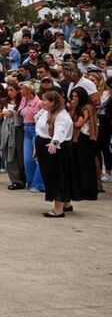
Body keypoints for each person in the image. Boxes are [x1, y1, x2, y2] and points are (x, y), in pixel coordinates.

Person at [36, 89, 74, 218]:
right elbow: (39, 128)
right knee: (51, 176)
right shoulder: (45, 111)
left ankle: (58, 209)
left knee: (57, 177)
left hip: (55, 148)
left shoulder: (62, 115)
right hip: (44, 145)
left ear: (53, 102)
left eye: (45, 100)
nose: (42, 102)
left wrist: (55, 142)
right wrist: (36, 146)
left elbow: (60, 130)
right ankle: (66, 203)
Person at [69, 86, 100, 203]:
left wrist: (71, 113)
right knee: (78, 165)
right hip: (77, 139)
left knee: (86, 165)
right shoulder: (78, 107)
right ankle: (81, 190)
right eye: (72, 96)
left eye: (76, 96)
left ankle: (89, 191)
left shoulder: (87, 108)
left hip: (85, 139)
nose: (74, 98)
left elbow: (78, 123)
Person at [18, 84, 46, 191]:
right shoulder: (23, 100)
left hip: (35, 129)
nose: (20, 91)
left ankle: (38, 184)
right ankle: (30, 182)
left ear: (29, 90)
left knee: (37, 157)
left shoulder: (39, 102)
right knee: (27, 159)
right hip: (26, 129)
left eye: (22, 89)